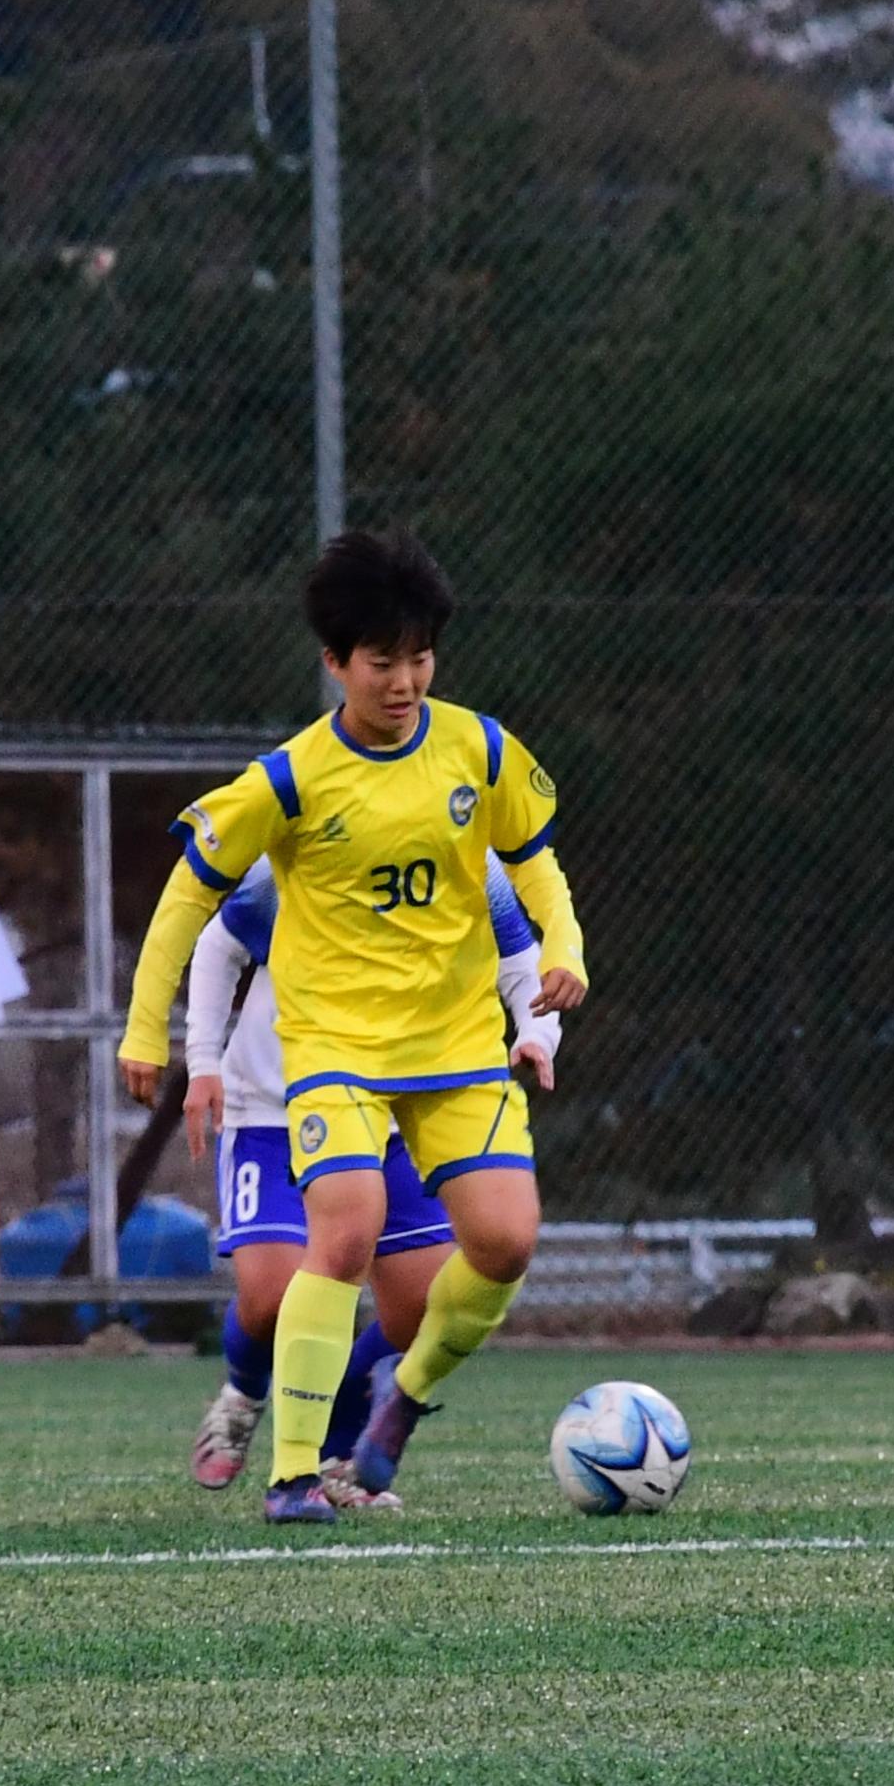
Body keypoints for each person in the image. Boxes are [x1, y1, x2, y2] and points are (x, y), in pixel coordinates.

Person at [120, 530, 590, 1526]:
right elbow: (187, 901)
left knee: (505, 1242)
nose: (406, 679)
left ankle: (396, 1411)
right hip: (334, 1051)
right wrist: (149, 1034)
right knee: (342, 1231)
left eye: (420, 656)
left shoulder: (482, 747)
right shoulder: (290, 780)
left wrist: (567, 954)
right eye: (383, 660)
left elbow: (535, 860)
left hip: (457, 1050)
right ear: (336, 661)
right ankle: (294, 1473)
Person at [184, 854, 561, 1508]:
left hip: (403, 1109)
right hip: (278, 1103)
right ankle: (244, 1393)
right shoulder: (314, 839)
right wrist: (201, 1060)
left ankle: (337, 1458)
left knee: (418, 1306)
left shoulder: (471, 851)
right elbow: (221, 940)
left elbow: (521, 959)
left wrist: (536, 1034)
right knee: (273, 1295)